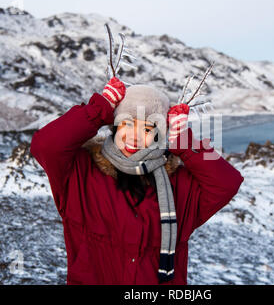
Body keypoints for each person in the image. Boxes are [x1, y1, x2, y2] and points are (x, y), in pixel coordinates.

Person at [30, 77, 244, 285]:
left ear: (160, 135)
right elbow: (45, 146)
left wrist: (185, 141)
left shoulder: (179, 186)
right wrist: (96, 111)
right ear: (114, 126)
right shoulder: (82, 174)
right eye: (127, 123)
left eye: (148, 129)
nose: (135, 136)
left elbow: (227, 183)